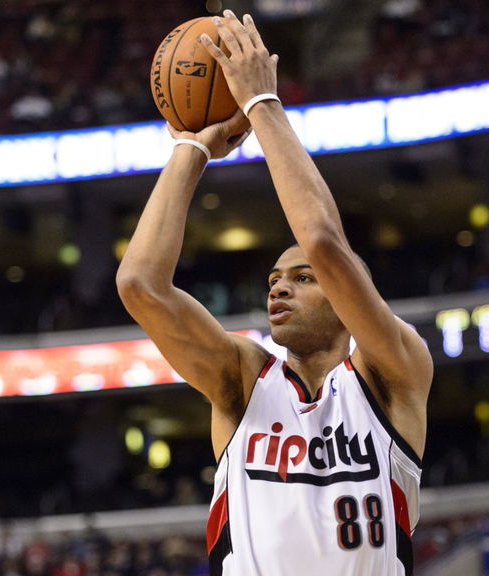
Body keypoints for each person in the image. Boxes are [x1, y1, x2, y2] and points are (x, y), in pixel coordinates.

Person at [116, 10, 432, 576]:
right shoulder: (242, 379)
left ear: (346, 296)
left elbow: (323, 241)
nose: (280, 286)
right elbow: (140, 285)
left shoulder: (394, 372)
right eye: (274, 280)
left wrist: (262, 105)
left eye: (303, 278)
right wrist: (191, 148)